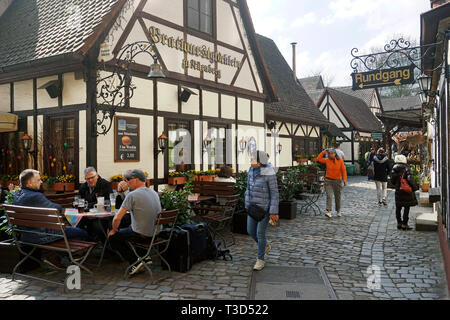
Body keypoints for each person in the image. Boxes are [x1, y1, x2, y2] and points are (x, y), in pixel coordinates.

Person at [13, 169, 89, 268]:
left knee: (69, 230)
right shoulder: (36, 196)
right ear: (29, 183)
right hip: (41, 236)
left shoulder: (18, 194)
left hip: (26, 235)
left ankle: (60, 256)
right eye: (38, 180)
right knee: (82, 233)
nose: (41, 182)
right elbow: (57, 208)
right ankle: (63, 256)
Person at [108, 169, 162, 276]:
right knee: (131, 228)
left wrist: (114, 230)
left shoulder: (132, 195)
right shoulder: (154, 192)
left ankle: (134, 262)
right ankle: (145, 257)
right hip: (156, 234)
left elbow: (117, 218)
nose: (127, 182)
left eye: (128, 180)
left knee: (114, 238)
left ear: (136, 180)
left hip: (143, 235)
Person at [245, 151, 279, 271]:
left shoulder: (269, 172)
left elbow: (274, 193)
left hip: (264, 208)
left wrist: (273, 211)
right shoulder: (250, 170)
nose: (251, 160)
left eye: (253, 159)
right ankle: (265, 245)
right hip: (252, 207)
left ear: (260, 162)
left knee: (260, 233)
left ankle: (260, 260)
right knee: (250, 231)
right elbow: (248, 188)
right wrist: (247, 203)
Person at [390, 155, 418, 231]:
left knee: (398, 207)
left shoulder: (394, 168)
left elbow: (392, 180)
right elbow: (410, 178)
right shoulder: (406, 167)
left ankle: (399, 223)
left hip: (398, 190)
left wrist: (397, 184)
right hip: (406, 190)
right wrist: (414, 187)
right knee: (406, 207)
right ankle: (404, 224)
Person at [317, 148, 347, 218]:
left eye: (332, 153)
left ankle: (338, 210)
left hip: (337, 181)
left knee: (337, 197)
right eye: (329, 153)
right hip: (328, 180)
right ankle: (329, 212)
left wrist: (344, 180)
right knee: (329, 196)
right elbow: (318, 159)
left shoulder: (340, 161)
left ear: (335, 154)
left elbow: (344, 171)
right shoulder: (327, 160)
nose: (330, 155)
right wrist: (323, 152)